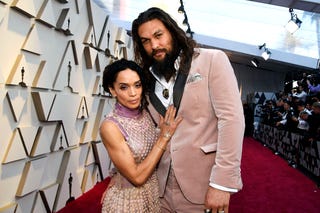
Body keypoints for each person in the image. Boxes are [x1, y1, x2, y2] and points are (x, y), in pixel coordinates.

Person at [131, 7, 245, 213]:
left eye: (158, 35)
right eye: (145, 41)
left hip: (204, 186)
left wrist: (221, 184)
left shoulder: (211, 60)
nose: (154, 45)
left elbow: (232, 120)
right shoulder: (146, 80)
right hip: (160, 190)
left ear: (173, 32)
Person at [99, 58, 182, 212]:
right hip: (127, 203)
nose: (133, 93)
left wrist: (117, 173)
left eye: (137, 85)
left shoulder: (145, 112)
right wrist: (164, 137)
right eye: (124, 87)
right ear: (112, 90)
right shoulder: (110, 126)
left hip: (152, 195)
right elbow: (137, 177)